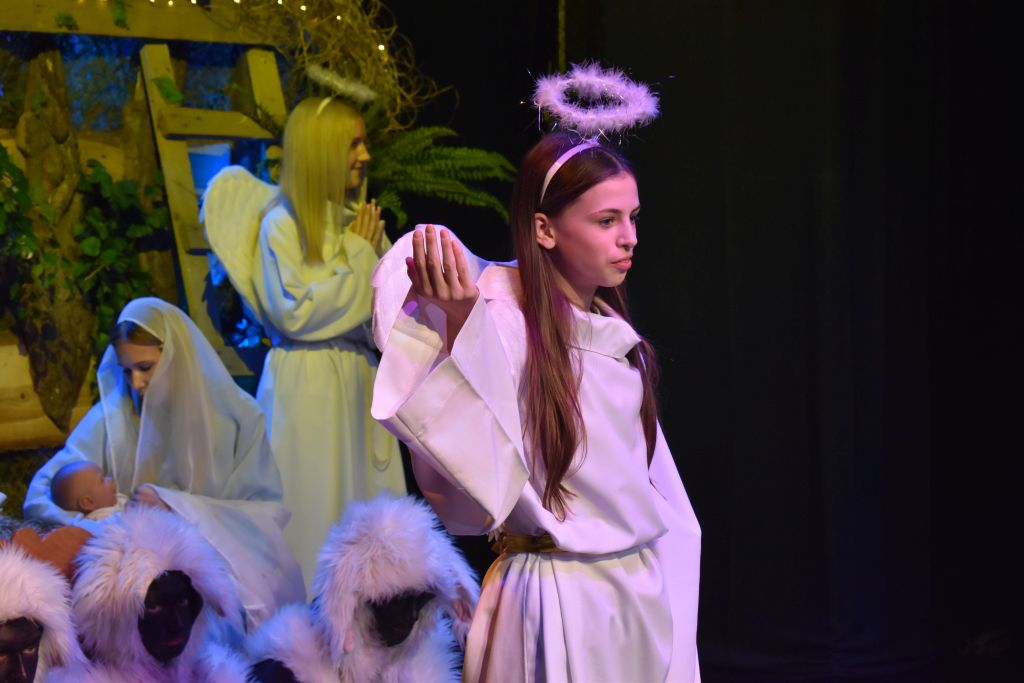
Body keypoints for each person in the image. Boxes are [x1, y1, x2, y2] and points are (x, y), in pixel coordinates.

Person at [371, 132, 702, 682]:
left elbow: (658, 495)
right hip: (555, 598)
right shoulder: (502, 326)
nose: (630, 238)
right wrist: (462, 327)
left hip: (635, 596)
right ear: (544, 229)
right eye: (607, 221)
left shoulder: (619, 342)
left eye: (633, 218)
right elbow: (479, 470)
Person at [204, 96, 406, 584]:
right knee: (314, 512)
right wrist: (358, 259)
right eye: (353, 144)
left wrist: (362, 263)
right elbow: (297, 313)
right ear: (321, 152)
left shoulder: (357, 226)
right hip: (309, 389)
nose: (365, 156)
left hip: (357, 383)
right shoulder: (282, 226)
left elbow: (389, 321)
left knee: (364, 521)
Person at [23, 297, 305, 629]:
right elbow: (42, 493)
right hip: (130, 578)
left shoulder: (237, 418)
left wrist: (175, 506)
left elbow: (264, 514)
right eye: (126, 371)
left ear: (176, 356)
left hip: (219, 569)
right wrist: (106, 526)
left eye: (145, 367)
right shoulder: (114, 417)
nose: (136, 383)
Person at [50, 461, 125, 521]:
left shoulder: (113, 498)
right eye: (102, 480)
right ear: (88, 503)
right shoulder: (99, 519)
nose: (109, 479)